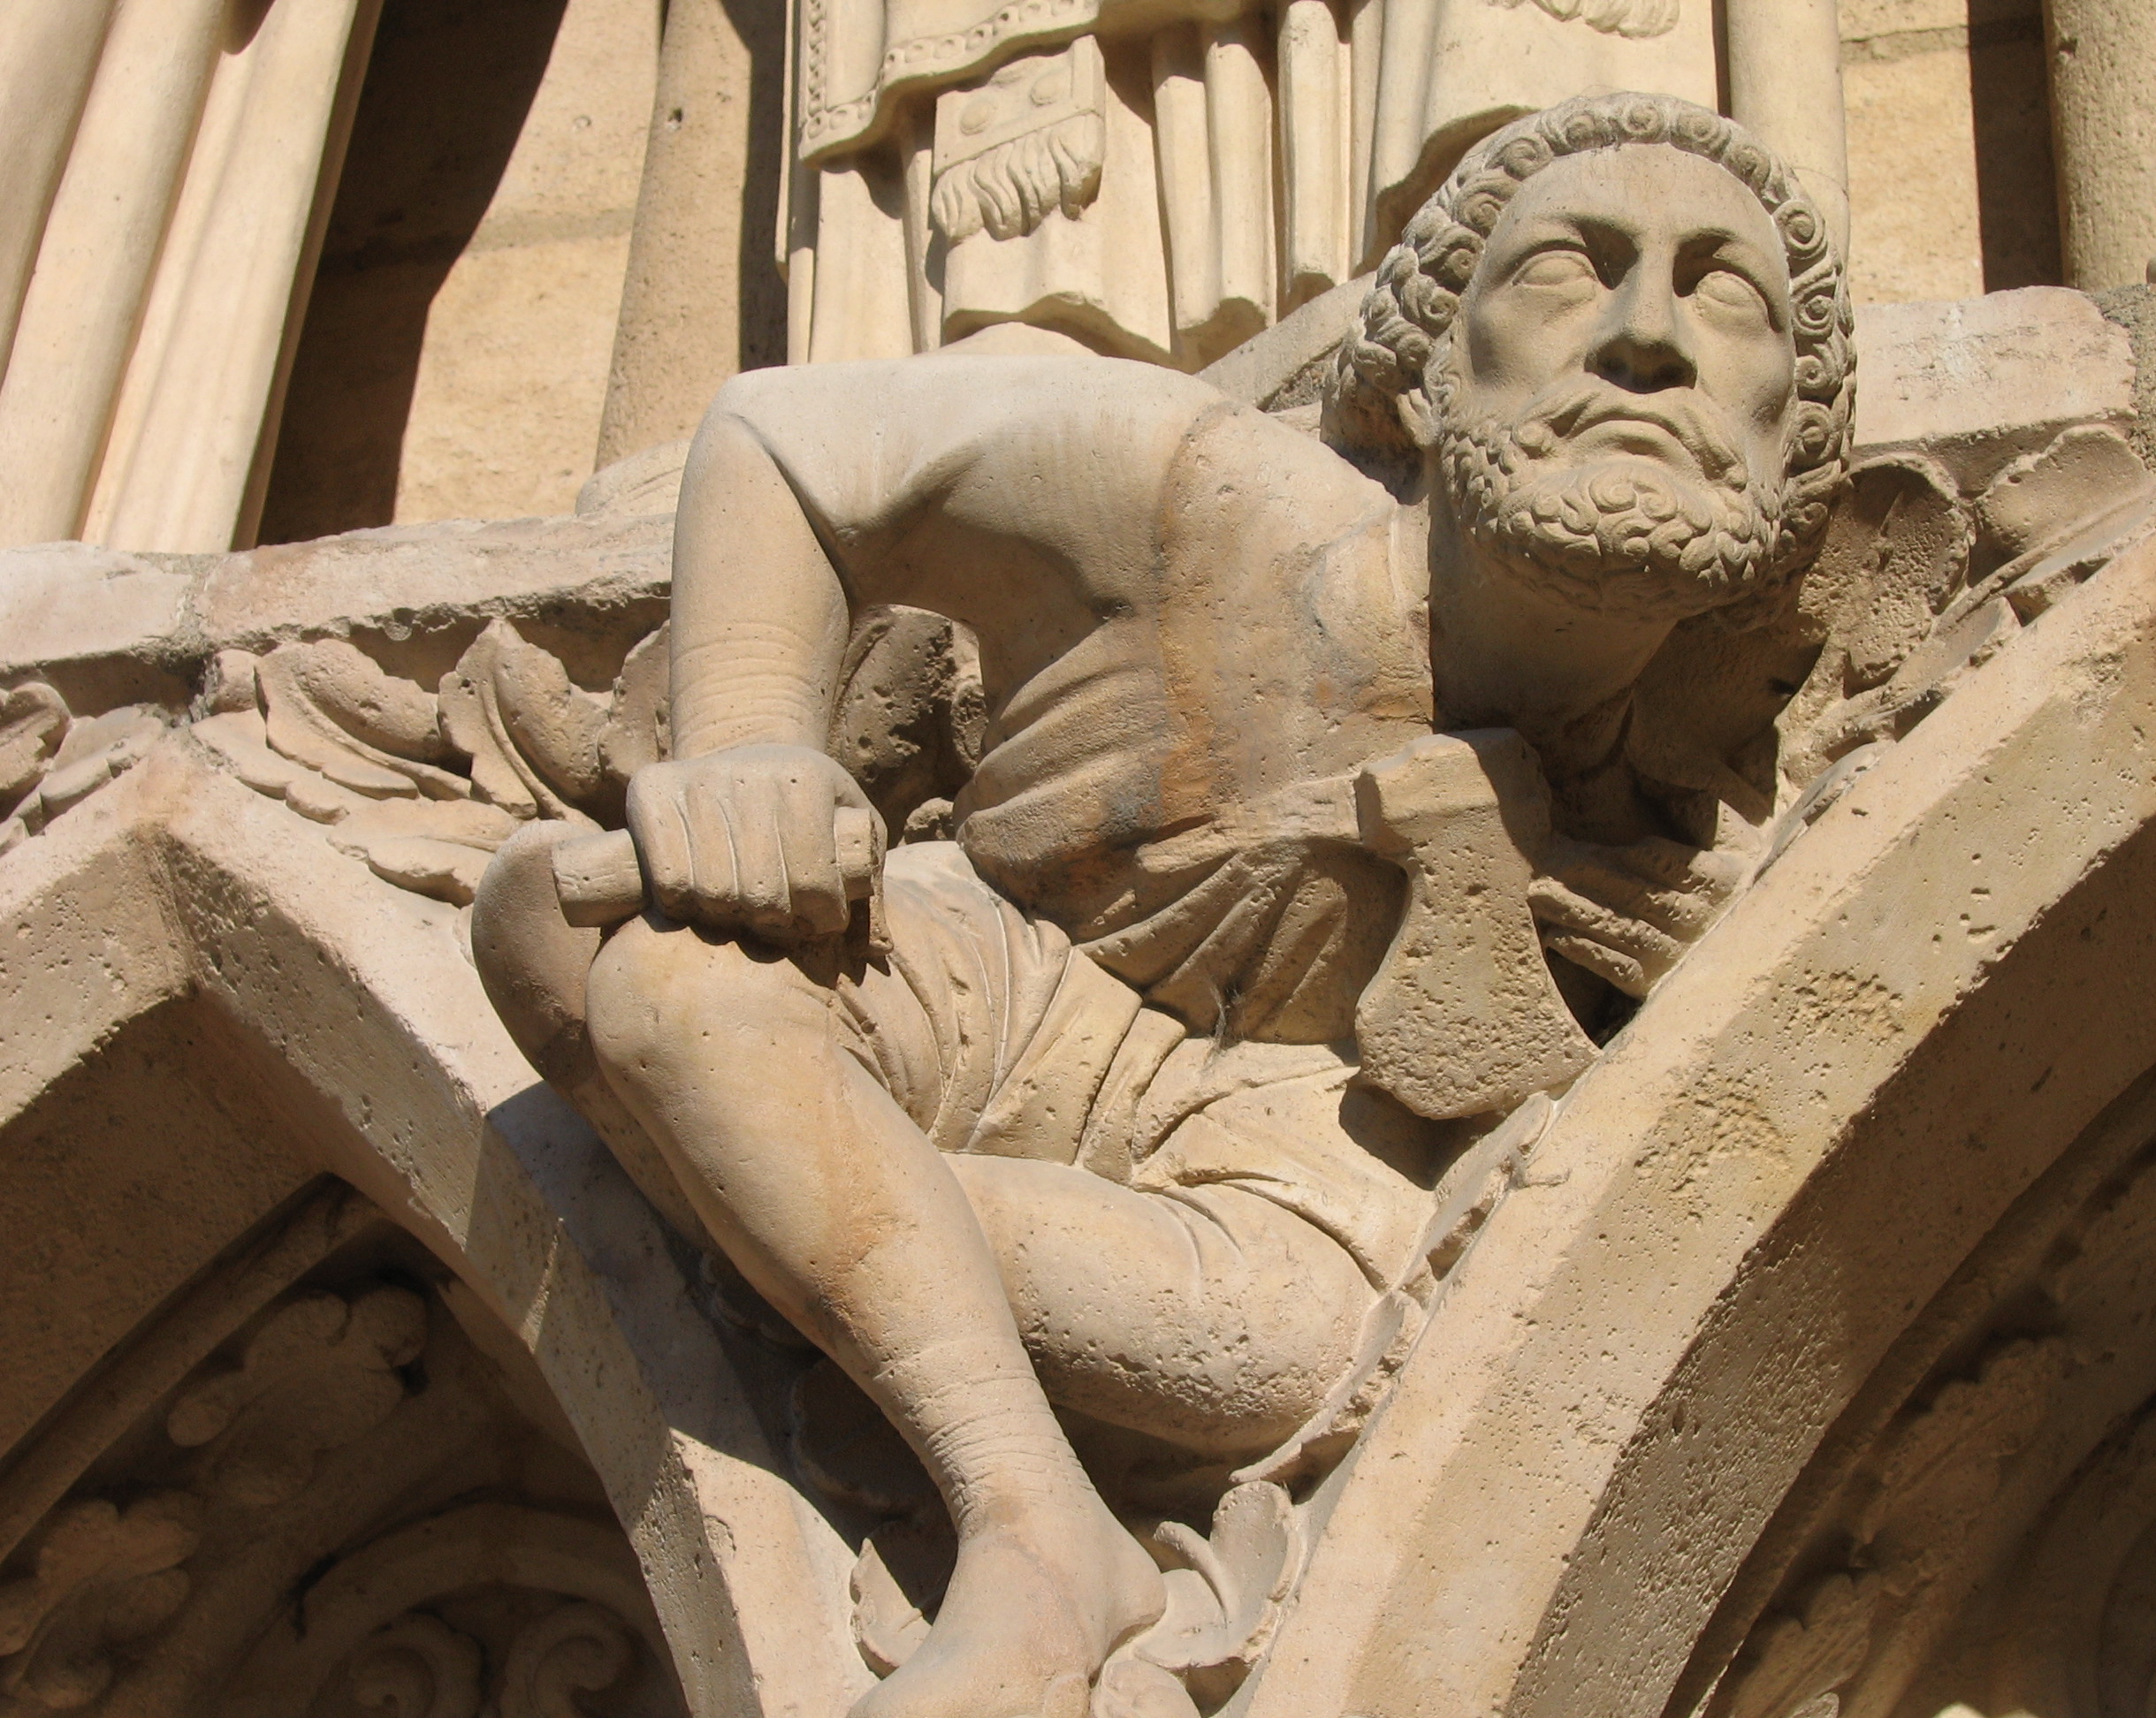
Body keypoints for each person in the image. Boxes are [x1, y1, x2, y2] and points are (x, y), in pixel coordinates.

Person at [481, 91, 1852, 1718]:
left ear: (1795, 451)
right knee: (595, 948)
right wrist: (752, 749)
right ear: (1419, 373)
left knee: (1278, 1343)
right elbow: (781, 439)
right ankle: (1031, 1523)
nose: (1644, 340)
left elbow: (1484, 1090)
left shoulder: (1705, 805)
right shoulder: (1200, 495)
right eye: (1570, 269)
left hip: (1292, 1154)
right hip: (995, 974)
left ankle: (848, 1266)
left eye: (1730, 299)